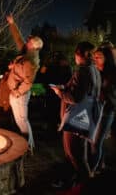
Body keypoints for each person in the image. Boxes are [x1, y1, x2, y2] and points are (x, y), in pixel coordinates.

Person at [50, 41, 99, 189]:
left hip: (76, 118)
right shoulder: (94, 69)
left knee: (74, 154)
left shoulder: (82, 71)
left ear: (79, 55)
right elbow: (84, 91)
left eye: (75, 54)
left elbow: (76, 98)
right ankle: (74, 183)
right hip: (85, 116)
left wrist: (60, 92)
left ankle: (87, 186)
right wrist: (66, 87)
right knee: (77, 153)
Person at [6, 14, 43, 153]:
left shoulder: (31, 60)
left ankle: (28, 147)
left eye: (29, 41)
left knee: (22, 121)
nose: (26, 42)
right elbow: (18, 38)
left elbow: (28, 82)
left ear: (33, 46)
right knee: (21, 121)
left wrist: (17, 92)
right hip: (15, 93)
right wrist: (12, 23)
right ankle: (28, 146)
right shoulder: (26, 53)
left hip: (19, 95)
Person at [92, 47, 116, 173]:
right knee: (96, 142)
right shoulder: (96, 71)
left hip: (106, 111)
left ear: (107, 57)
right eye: (94, 57)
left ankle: (91, 171)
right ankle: (101, 165)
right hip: (96, 110)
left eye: (99, 57)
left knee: (96, 142)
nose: (95, 59)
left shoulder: (112, 73)